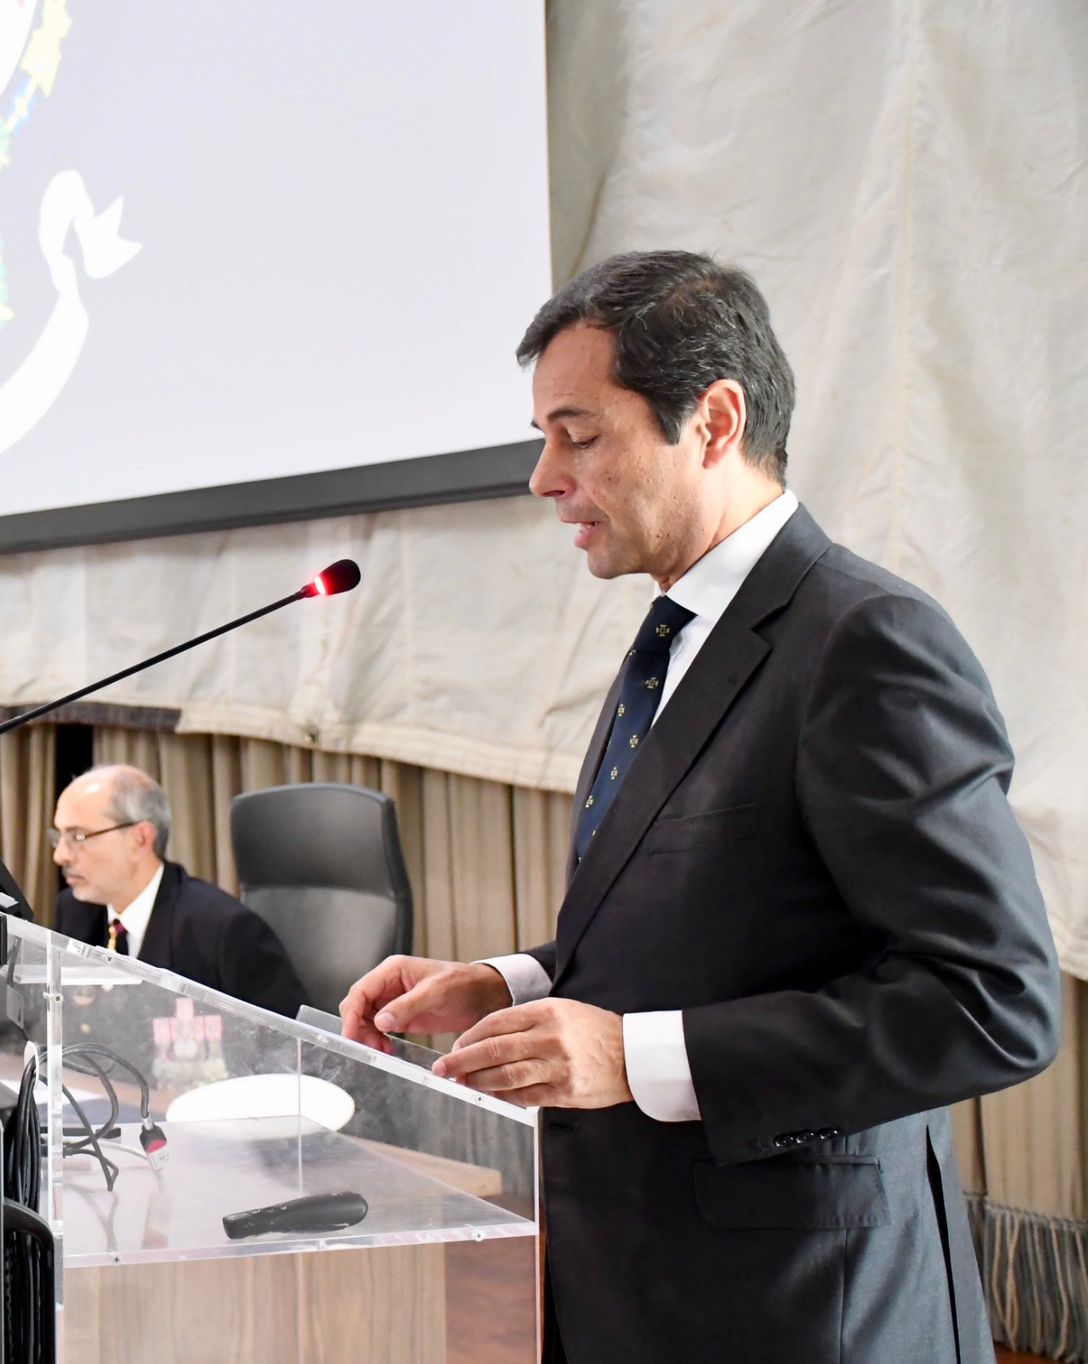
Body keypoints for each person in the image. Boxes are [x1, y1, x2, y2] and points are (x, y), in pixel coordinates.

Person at [340, 251, 1061, 1364]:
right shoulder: (675, 628)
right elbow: (717, 920)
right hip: (641, 1279)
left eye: (577, 435)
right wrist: (512, 983)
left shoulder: (863, 640)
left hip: (798, 1304)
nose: (541, 476)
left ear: (713, 419)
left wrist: (632, 1057)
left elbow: (989, 998)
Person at [51, 765, 307, 1017]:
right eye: (59, 837)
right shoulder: (74, 909)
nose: (60, 856)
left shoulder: (224, 929)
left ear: (140, 839)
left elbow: (288, 1049)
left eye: (78, 837)